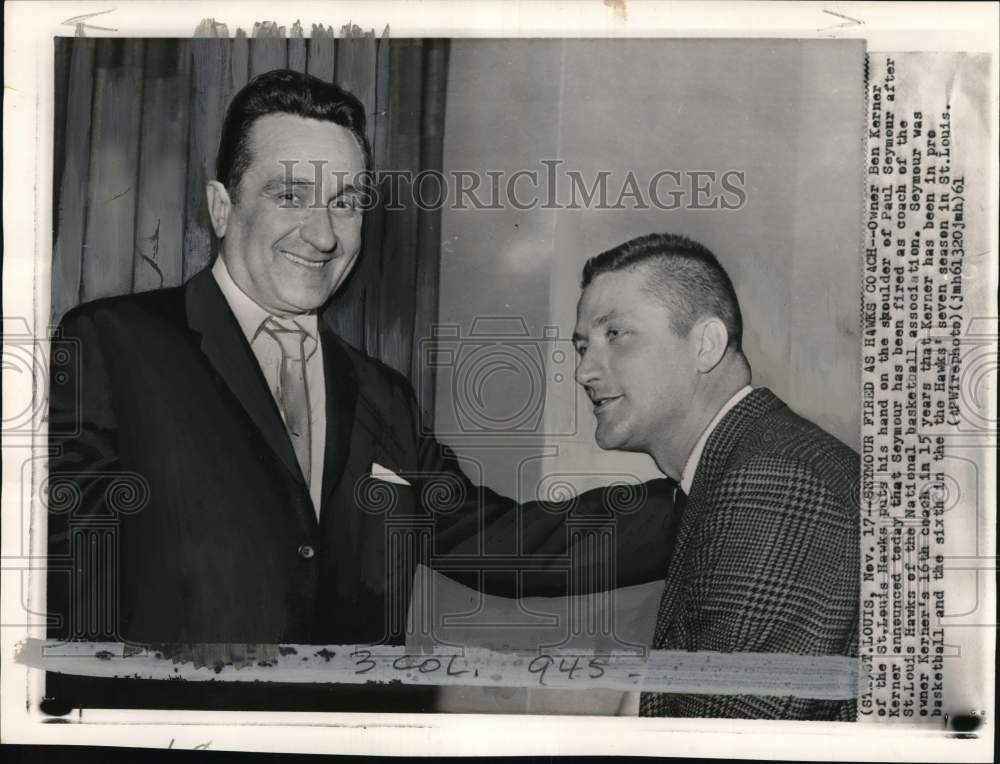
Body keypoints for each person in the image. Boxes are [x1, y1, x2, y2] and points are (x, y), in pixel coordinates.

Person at [45, 70, 675, 713]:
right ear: (221, 206)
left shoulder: (382, 395)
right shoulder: (111, 345)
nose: (323, 234)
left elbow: (506, 541)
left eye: (346, 202)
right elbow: (63, 599)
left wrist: (701, 489)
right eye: (291, 194)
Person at [572, 232, 859, 721]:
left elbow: (722, 743)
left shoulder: (772, 483)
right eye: (583, 347)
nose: (585, 372)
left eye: (615, 334)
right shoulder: (740, 466)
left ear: (705, 345)